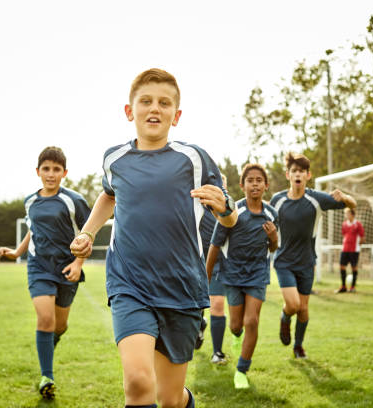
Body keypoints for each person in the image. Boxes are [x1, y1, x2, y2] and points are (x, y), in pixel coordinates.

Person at [70, 68, 238, 408]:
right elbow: (109, 196)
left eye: (164, 103)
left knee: (170, 399)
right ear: (130, 111)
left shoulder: (193, 158)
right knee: (137, 383)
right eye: (145, 101)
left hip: (182, 289)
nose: (154, 108)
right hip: (129, 284)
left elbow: (229, 216)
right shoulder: (114, 159)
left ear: (176, 116)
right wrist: (87, 231)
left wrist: (226, 207)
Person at [0, 146, 91, 399]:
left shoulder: (73, 201)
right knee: (45, 320)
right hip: (39, 268)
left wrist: (78, 264)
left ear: (65, 173)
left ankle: (51, 343)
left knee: (60, 326)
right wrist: (17, 253)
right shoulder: (30, 201)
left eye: (56, 169)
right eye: (46, 169)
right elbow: (32, 229)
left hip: (67, 269)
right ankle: (46, 377)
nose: (51, 174)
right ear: (38, 171)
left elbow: (87, 233)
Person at [270, 152, 356, 359]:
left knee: (304, 308)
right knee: (293, 305)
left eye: (302, 171)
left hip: (307, 261)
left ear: (308, 175)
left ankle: (298, 347)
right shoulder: (277, 200)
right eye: (294, 171)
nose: (298, 174)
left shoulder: (316, 199)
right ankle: (284, 317)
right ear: (288, 175)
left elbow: (352, 204)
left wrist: (344, 197)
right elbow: (266, 223)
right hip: (283, 261)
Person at [206, 164, 278, 389]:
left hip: (258, 274)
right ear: (242, 185)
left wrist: (273, 236)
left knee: (252, 321)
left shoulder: (272, 214)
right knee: (236, 325)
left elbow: (273, 248)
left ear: (266, 185)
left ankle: (241, 370)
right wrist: (205, 278)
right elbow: (215, 245)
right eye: (250, 180)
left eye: (259, 180)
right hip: (232, 275)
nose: (255, 184)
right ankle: (236, 337)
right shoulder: (232, 211)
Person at [198, 174, 229, 365]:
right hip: (194, 263)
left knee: (217, 304)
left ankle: (217, 352)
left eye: (222, 186)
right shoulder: (196, 206)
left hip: (219, 264)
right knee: (195, 306)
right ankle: (199, 324)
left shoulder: (229, 210)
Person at [336, 208, 365, 293]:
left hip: (354, 250)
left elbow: (362, 237)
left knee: (354, 267)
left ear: (352, 214)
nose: (346, 215)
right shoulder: (344, 224)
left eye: (347, 214)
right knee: (342, 266)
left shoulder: (358, 224)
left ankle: (352, 287)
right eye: (346, 214)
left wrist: (358, 246)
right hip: (345, 249)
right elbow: (344, 234)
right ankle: (343, 286)